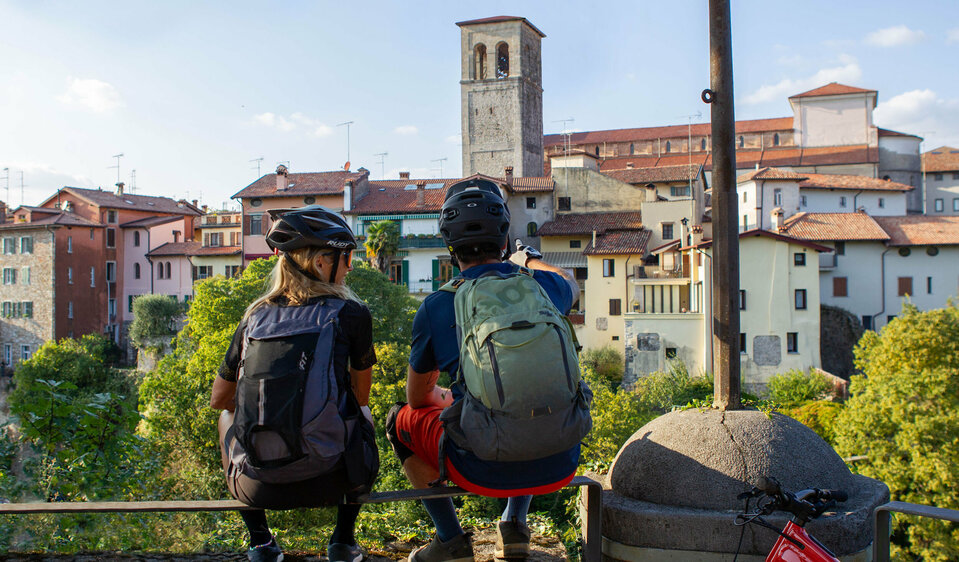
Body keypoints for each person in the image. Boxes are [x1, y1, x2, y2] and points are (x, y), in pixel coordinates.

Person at [386, 179, 582, 561]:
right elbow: (569, 281)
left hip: (479, 468)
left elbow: (418, 398)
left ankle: (450, 541)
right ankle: (515, 525)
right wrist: (527, 258)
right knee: (528, 395)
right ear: (504, 237)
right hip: (560, 458)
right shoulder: (542, 287)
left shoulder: (437, 306)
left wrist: (457, 398)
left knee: (399, 420)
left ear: (449, 244)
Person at [211, 206, 377, 562]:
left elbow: (220, 398)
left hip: (256, 485)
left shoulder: (254, 317)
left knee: (226, 417)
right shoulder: (351, 313)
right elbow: (361, 396)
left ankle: (260, 542)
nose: (349, 267)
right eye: (347, 258)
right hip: (333, 477)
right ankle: (343, 541)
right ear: (321, 262)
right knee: (363, 413)